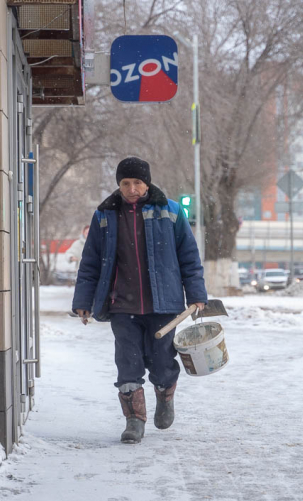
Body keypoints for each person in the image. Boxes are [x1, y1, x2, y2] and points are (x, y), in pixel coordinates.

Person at [72, 157, 207, 444]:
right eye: (125, 183)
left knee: (161, 361)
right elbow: (91, 262)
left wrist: (196, 295)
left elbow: (189, 257)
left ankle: (164, 394)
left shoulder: (170, 211)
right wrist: (83, 300)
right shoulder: (105, 215)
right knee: (128, 363)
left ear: (147, 183)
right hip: (122, 304)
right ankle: (134, 421)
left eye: (137, 182)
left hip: (164, 304)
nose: (131, 188)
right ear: (119, 185)